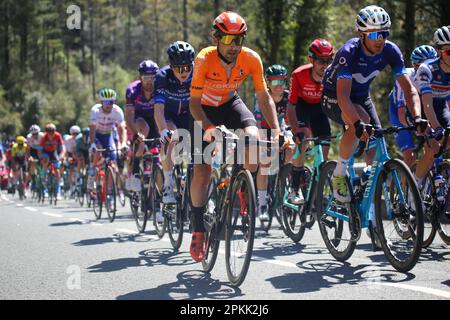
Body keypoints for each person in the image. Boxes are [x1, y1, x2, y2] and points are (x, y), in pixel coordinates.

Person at [188, 11, 281, 262]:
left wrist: (277, 131)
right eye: (228, 40)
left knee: (253, 138)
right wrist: (208, 128)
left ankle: (242, 186)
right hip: (204, 109)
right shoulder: (204, 59)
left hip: (230, 104)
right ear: (216, 38)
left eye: (238, 40)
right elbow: (193, 105)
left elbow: (264, 97)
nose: (234, 46)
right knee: (202, 171)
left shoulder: (251, 59)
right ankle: (198, 228)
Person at [320, 5, 424, 203]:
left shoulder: (391, 51)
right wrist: (357, 123)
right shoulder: (348, 52)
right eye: (376, 35)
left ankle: (368, 181)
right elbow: (343, 97)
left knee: (376, 138)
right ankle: (339, 174)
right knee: (359, 121)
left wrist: (418, 117)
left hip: (360, 96)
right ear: (362, 34)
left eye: (384, 33)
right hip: (334, 96)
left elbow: (409, 90)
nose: (381, 40)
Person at [286, 38, 334, 205]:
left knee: (325, 148)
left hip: (320, 110)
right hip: (301, 107)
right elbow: (291, 107)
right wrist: (295, 131)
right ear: (311, 59)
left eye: (329, 60)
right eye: (321, 61)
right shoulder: (298, 75)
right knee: (303, 140)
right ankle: (294, 188)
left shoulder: (333, 75)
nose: (325, 65)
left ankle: (318, 189)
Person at [154, 41, 195, 205]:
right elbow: (158, 108)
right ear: (171, 67)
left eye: (187, 67)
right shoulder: (162, 76)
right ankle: (168, 186)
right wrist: (163, 131)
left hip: (188, 114)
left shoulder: (198, 73)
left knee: (201, 146)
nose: (183, 72)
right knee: (173, 137)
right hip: (169, 115)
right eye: (178, 68)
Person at [388, 45, 438, 168]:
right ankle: (406, 187)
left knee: (435, 150)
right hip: (399, 111)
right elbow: (401, 114)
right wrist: (418, 128)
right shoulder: (406, 77)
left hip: (421, 108)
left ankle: (426, 182)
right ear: (415, 66)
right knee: (410, 156)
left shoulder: (435, 76)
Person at [413, 26, 450, 186]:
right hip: (421, 108)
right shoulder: (427, 69)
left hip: (441, 107)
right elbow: (427, 104)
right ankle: (414, 189)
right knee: (433, 148)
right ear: (439, 52)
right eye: (449, 52)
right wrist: (436, 128)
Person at [254, 64, 290, 221]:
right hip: (263, 129)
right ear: (267, 83)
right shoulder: (262, 97)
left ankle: (287, 182)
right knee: (265, 163)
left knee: (292, 148)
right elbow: (257, 121)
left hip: (281, 129)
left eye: (282, 82)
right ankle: (262, 204)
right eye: (275, 82)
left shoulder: (288, 97)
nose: (279, 86)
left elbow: (291, 120)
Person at [125, 60, 160, 193]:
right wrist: (135, 133)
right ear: (140, 77)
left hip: (156, 118)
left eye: (153, 77)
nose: (149, 81)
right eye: (146, 77)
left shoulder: (159, 88)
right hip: (139, 120)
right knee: (142, 131)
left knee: (157, 156)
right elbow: (128, 116)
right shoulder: (132, 90)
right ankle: (134, 172)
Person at [88, 88, 127, 191]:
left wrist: (123, 143)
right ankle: (92, 171)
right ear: (101, 102)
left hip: (108, 136)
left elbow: (121, 128)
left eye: (111, 102)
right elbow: (92, 128)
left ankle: (109, 190)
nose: (108, 104)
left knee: (113, 163)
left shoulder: (117, 111)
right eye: (106, 102)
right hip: (96, 135)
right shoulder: (95, 110)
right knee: (97, 151)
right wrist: (92, 143)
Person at [38, 123, 65, 199]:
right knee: (46, 161)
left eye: (52, 132)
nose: (51, 134)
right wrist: (40, 158)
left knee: (57, 170)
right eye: (49, 132)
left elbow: (62, 148)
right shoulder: (44, 137)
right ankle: (44, 176)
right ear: (46, 132)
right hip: (45, 152)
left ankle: (58, 192)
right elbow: (40, 149)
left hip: (53, 152)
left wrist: (61, 156)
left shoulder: (58, 136)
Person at [26, 124, 44, 190]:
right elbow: (28, 149)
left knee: (43, 162)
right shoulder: (28, 137)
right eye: (33, 134)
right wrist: (29, 157)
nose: (35, 135)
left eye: (36, 133)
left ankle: (43, 176)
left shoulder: (42, 136)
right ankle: (33, 180)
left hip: (41, 149)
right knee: (31, 162)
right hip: (33, 150)